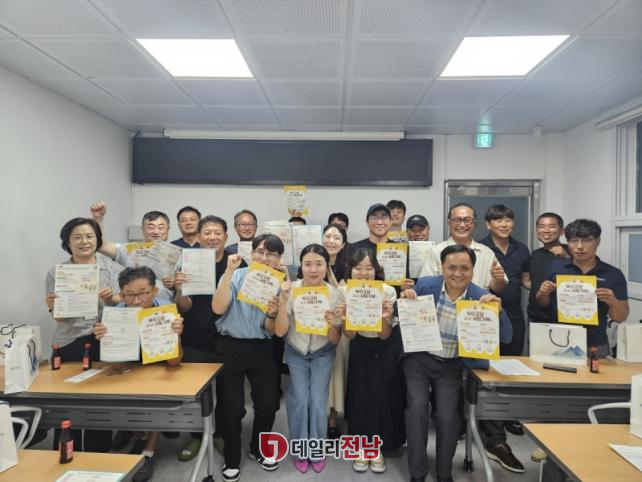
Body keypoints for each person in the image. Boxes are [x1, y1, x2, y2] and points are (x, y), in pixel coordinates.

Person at [400, 244, 513, 482]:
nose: (458, 274)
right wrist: (406, 299)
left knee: (448, 417)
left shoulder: (481, 296)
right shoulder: (426, 285)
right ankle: (417, 474)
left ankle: (444, 474)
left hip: (451, 365)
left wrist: (498, 312)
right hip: (419, 359)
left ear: (473, 269)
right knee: (417, 409)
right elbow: (402, 315)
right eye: (451, 267)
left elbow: (506, 337)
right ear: (442, 267)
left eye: (464, 268)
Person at [94, 266, 183, 482]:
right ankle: (136, 434)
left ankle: (147, 452)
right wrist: (106, 342)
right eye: (129, 295)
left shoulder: (166, 312)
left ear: (154, 291)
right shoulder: (116, 315)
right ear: (121, 294)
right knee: (120, 389)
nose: (136, 301)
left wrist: (176, 336)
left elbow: (174, 362)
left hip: (160, 367)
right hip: (130, 367)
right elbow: (116, 366)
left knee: (157, 396)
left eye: (143, 293)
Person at [212, 234, 286, 482]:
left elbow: (271, 330)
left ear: (279, 259)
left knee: (268, 403)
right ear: (252, 254)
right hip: (231, 346)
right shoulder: (236, 275)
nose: (264, 258)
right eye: (260, 252)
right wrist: (228, 272)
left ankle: (258, 448)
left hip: (262, 347)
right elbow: (218, 308)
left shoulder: (280, 284)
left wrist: (273, 313)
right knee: (232, 408)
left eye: (271, 254)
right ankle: (232, 457)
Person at [45, 217, 122, 453]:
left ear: (97, 239)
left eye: (89, 236)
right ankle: (66, 453)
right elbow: (57, 318)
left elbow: (126, 304)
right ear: (67, 242)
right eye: (77, 237)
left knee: (100, 401)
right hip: (68, 342)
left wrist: (111, 298)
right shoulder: (57, 273)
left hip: (102, 340)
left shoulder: (113, 269)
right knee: (67, 400)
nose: (84, 241)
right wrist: (53, 306)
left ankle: (98, 455)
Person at [274, 244, 343, 474]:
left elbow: (335, 339)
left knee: (317, 401)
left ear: (327, 266)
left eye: (319, 264)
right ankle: (301, 449)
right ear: (301, 267)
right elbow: (280, 332)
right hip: (296, 351)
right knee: (300, 400)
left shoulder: (335, 294)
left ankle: (316, 449)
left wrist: (332, 324)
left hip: (323, 352)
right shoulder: (291, 289)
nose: (313, 270)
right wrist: (283, 300)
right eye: (308, 264)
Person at [174, 215, 236, 461]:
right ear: (198, 237)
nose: (212, 237)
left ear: (226, 237)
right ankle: (198, 435)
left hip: (227, 338)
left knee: (227, 393)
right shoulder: (187, 262)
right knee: (197, 391)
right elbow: (184, 306)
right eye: (207, 233)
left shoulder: (236, 263)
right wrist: (180, 289)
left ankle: (220, 434)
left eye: (217, 233)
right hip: (195, 337)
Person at [340, 248, 405, 474]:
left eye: (369, 268)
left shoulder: (387, 291)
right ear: (350, 270)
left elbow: (385, 334)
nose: (364, 273)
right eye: (358, 268)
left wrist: (385, 317)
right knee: (359, 395)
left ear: (376, 270)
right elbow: (349, 335)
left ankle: (376, 449)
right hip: (359, 345)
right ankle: (360, 447)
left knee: (380, 396)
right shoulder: (345, 291)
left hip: (384, 347)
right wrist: (346, 318)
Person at [536, 218, 629, 357]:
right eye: (574, 241)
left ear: (597, 241)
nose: (579, 246)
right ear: (568, 242)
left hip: (596, 343)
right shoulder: (556, 267)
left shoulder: (613, 274)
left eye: (587, 241)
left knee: (598, 372)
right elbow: (542, 303)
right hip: (560, 339)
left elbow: (621, 317)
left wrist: (613, 302)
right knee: (556, 372)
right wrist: (543, 293)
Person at [478, 205, 531, 439]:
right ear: (488, 224)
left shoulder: (522, 249)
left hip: (514, 313)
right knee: (487, 367)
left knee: (512, 366)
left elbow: (526, 280)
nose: (504, 224)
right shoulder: (481, 248)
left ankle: (510, 415)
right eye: (498, 220)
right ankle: (487, 420)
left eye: (508, 219)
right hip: (486, 314)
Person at [90, 202, 176, 301]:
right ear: (143, 229)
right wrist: (98, 218)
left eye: (161, 228)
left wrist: (175, 285)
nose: (156, 232)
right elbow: (103, 246)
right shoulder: (131, 250)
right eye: (151, 227)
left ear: (168, 229)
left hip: (166, 307)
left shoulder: (176, 254)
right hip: (134, 306)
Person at [420, 203, 506, 293]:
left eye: (467, 220)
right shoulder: (436, 251)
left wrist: (499, 281)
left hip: (479, 301)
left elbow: (498, 288)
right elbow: (425, 286)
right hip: (445, 301)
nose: (462, 225)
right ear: (449, 223)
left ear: (474, 223)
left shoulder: (487, 253)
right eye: (457, 220)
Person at [322, 224, 349, 439]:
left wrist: (329, 273)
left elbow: (342, 297)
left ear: (343, 243)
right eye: (328, 236)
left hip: (339, 327)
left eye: (336, 237)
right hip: (313, 327)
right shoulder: (311, 262)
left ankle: (333, 417)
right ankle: (319, 414)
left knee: (336, 372)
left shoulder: (348, 267)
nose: (331, 240)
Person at [524, 212, 570, 324]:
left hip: (564, 317)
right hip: (536, 316)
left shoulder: (572, 251)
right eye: (541, 226)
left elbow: (583, 275)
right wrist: (541, 289)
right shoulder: (535, 254)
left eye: (551, 226)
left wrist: (565, 256)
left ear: (562, 231)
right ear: (537, 231)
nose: (546, 230)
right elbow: (526, 279)